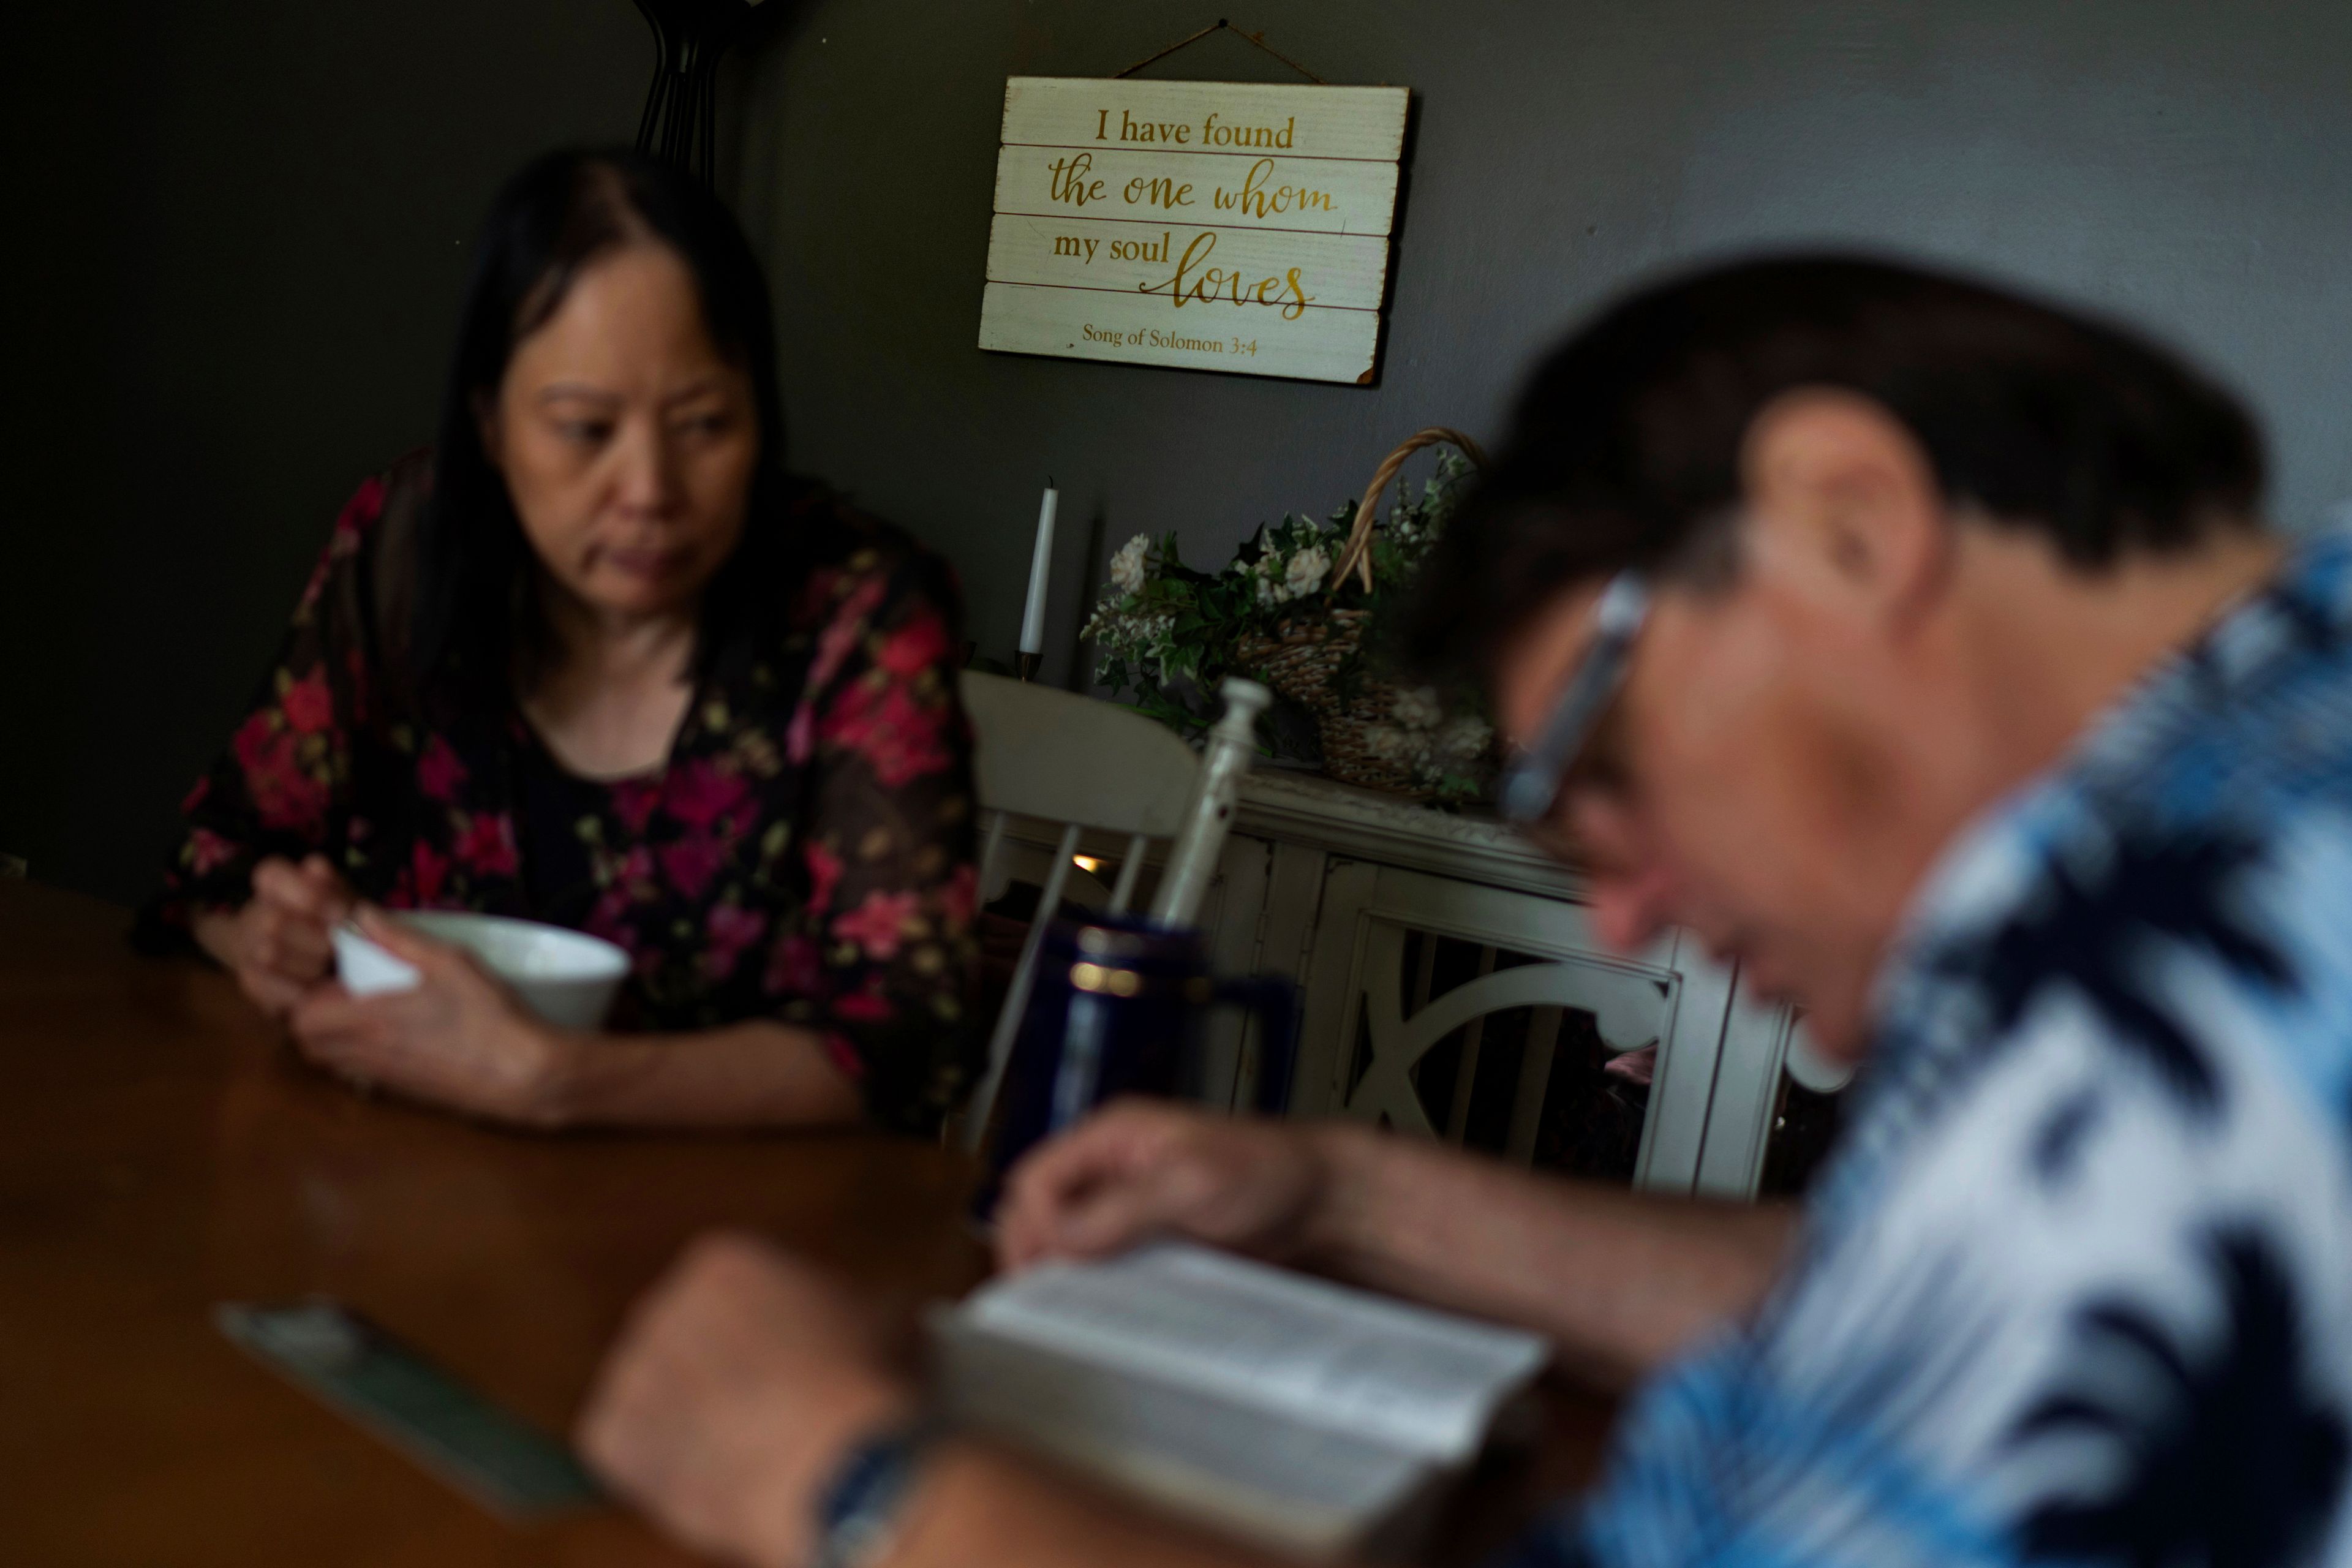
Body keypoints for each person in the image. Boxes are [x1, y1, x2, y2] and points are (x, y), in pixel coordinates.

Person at [577, 254, 2352, 1567]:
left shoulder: (2197, 969)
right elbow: (1920, 1295)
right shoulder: (2256, 761)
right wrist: (1353, 1192)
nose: (1623, 920)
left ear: (1848, 523)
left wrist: (857, 1480)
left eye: (1598, 756)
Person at [140, 149, 981, 1136]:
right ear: (492, 425)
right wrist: (272, 940)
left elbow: (911, 1039)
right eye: (587, 429)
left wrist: (555, 1079)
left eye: (705, 423)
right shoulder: (409, 547)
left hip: (738, 1238)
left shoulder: (859, 613)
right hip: (397, 1180)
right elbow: (218, 860)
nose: (651, 491)